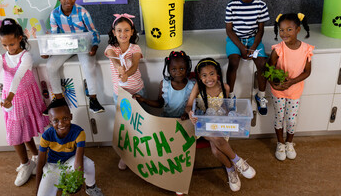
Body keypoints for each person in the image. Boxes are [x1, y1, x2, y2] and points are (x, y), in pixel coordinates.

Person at [0, 18, 49, 186]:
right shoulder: (2, 58)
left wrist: (9, 97)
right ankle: (27, 162)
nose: (9, 48)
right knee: (17, 133)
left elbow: (18, 77)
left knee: (23, 131)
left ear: (20, 39)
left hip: (23, 98)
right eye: (5, 45)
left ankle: (34, 158)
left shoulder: (26, 56)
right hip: (10, 102)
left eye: (12, 44)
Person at [185, 58, 256, 192]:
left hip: (220, 123)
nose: (209, 78)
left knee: (216, 150)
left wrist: (233, 117)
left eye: (212, 73)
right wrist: (191, 114)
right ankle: (238, 161)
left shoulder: (225, 87)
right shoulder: (198, 88)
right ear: (199, 77)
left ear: (217, 73)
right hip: (203, 124)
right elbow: (188, 106)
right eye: (204, 75)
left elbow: (226, 107)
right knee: (217, 138)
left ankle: (230, 169)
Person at [42, 0, 104, 114]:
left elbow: (93, 31)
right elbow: (54, 36)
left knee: (88, 65)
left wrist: (94, 46)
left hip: (84, 45)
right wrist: (48, 51)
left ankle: (93, 99)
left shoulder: (82, 12)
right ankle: (58, 98)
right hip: (65, 45)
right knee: (50, 65)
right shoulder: (54, 15)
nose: (68, 0)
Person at [225, 0, 270, 115]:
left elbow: (261, 30)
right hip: (235, 40)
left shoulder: (261, 6)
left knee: (263, 64)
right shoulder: (231, 6)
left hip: (253, 39)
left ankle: (261, 96)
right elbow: (229, 31)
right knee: (233, 63)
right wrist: (242, 48)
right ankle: (230, 97)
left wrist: (253, 46)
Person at [269, 13, 313, 161]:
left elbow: (307, 71)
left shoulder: (306, 49)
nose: (284, 33)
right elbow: (269, 68)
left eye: (289, 29)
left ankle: (289, 142)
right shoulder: (278, 49)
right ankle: (280, 143)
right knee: (279, 117)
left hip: (295, 91)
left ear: (298, 30)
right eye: (281, 30)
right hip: (279, 91)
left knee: (291, 119)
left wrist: (292, 82)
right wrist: (274, 82)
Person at [36, 100, 103, 196]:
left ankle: (91, 187)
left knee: (88, 163)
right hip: (53, 167)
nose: (61, 123)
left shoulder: (79, 132)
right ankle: (59, 181)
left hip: (71, 163)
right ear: (50, 121)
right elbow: (41, 162)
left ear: (71, 117)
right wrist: (38, 188)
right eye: (56, 120)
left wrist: (79, 181)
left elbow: (79, 157)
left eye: (65, 118)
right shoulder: (46, 136)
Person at [104, 13, 145, 170]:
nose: (123, 34)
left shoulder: (135, 48)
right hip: (121, 95)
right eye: (119, 30)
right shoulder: (111, 49)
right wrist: (118, 66)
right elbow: (112, 57)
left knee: (141, 125)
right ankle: (126, 156)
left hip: (138, 92)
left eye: (126, 30)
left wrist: (126, 73)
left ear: (132, 31)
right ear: (114, 32)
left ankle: (143, 154)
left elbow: (134, 65)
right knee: (126, 127)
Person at [133, 50, 195, 119]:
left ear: (187, 69)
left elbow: (192, 106)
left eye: (181, 68)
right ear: (169, 70)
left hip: (184, 120)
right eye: (174, 69)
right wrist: (144, 100)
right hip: (167, 120)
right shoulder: (165, 85)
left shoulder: (191, 86)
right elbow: (160, 103)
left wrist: (186, 114)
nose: (178, 72)